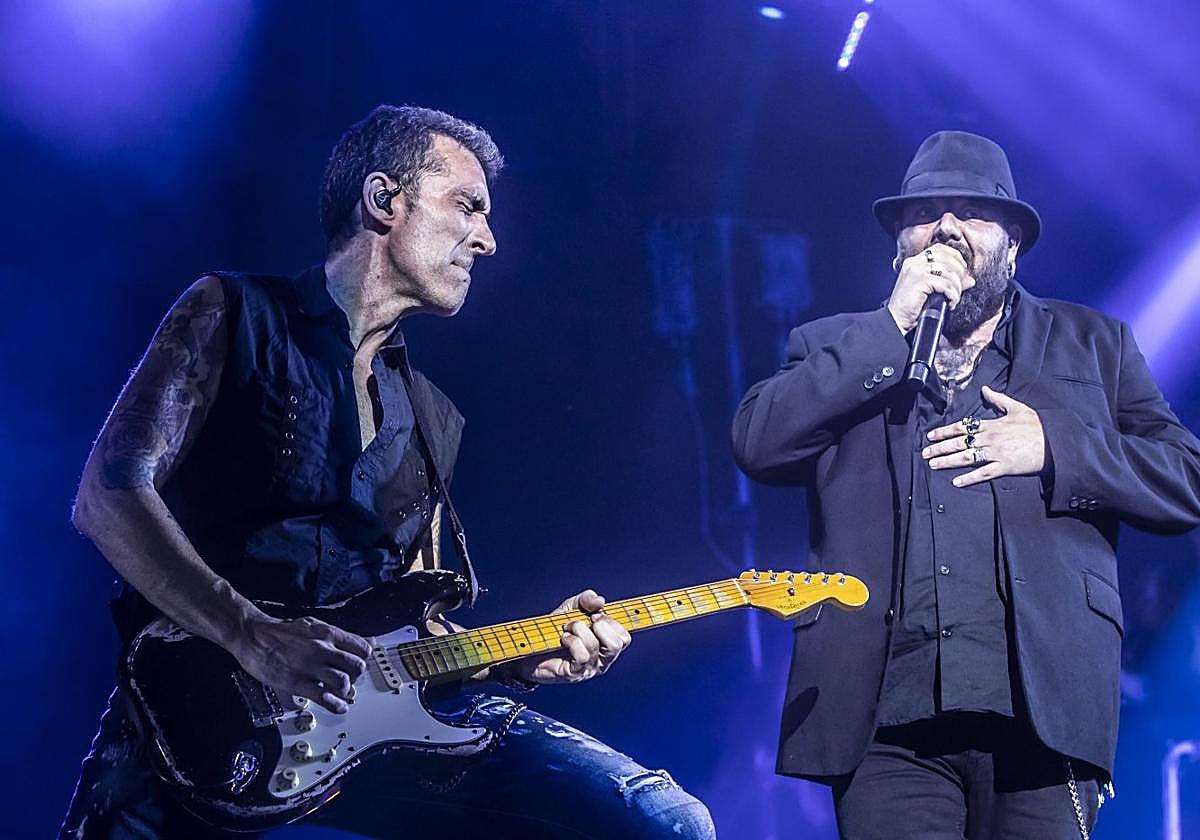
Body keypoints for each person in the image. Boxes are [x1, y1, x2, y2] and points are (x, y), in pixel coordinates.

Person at [61, 104, 715, 840]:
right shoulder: (235, 313)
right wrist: (250, 632)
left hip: (367, 736)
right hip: (193, 716)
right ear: (383, 201)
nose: (488, 240)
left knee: (665, 821)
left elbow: (417, 620)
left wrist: (517, 661)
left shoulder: (429, 418)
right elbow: (107, 495)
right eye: (467, 206)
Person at [731, 130, 1200, 838]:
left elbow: (1186, 479)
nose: (946, 226)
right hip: (883, 722)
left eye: (971, 211)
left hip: (1044, 718)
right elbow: (758, 442)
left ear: (1013, 241)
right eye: (925, 212)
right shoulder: (834, 345)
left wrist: (1056, 446)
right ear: (899, 245)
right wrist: (892, 327)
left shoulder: (1096, 347)